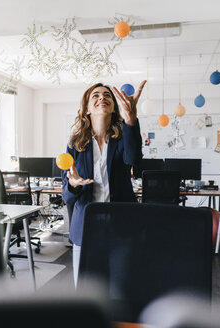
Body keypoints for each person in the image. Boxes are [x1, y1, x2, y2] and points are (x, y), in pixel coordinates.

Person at [61, 80, 146, 287]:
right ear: (88, 109)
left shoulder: (124, 137)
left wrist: (131, 120)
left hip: (121, 225)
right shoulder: (75, 144)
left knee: (121, 288)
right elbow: (67, 196)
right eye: (96, 95)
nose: (102, 98)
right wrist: (73, 184)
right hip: (86, 226)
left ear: (114, 107)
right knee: (85, 291)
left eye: (107, 95)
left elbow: (134, 160)